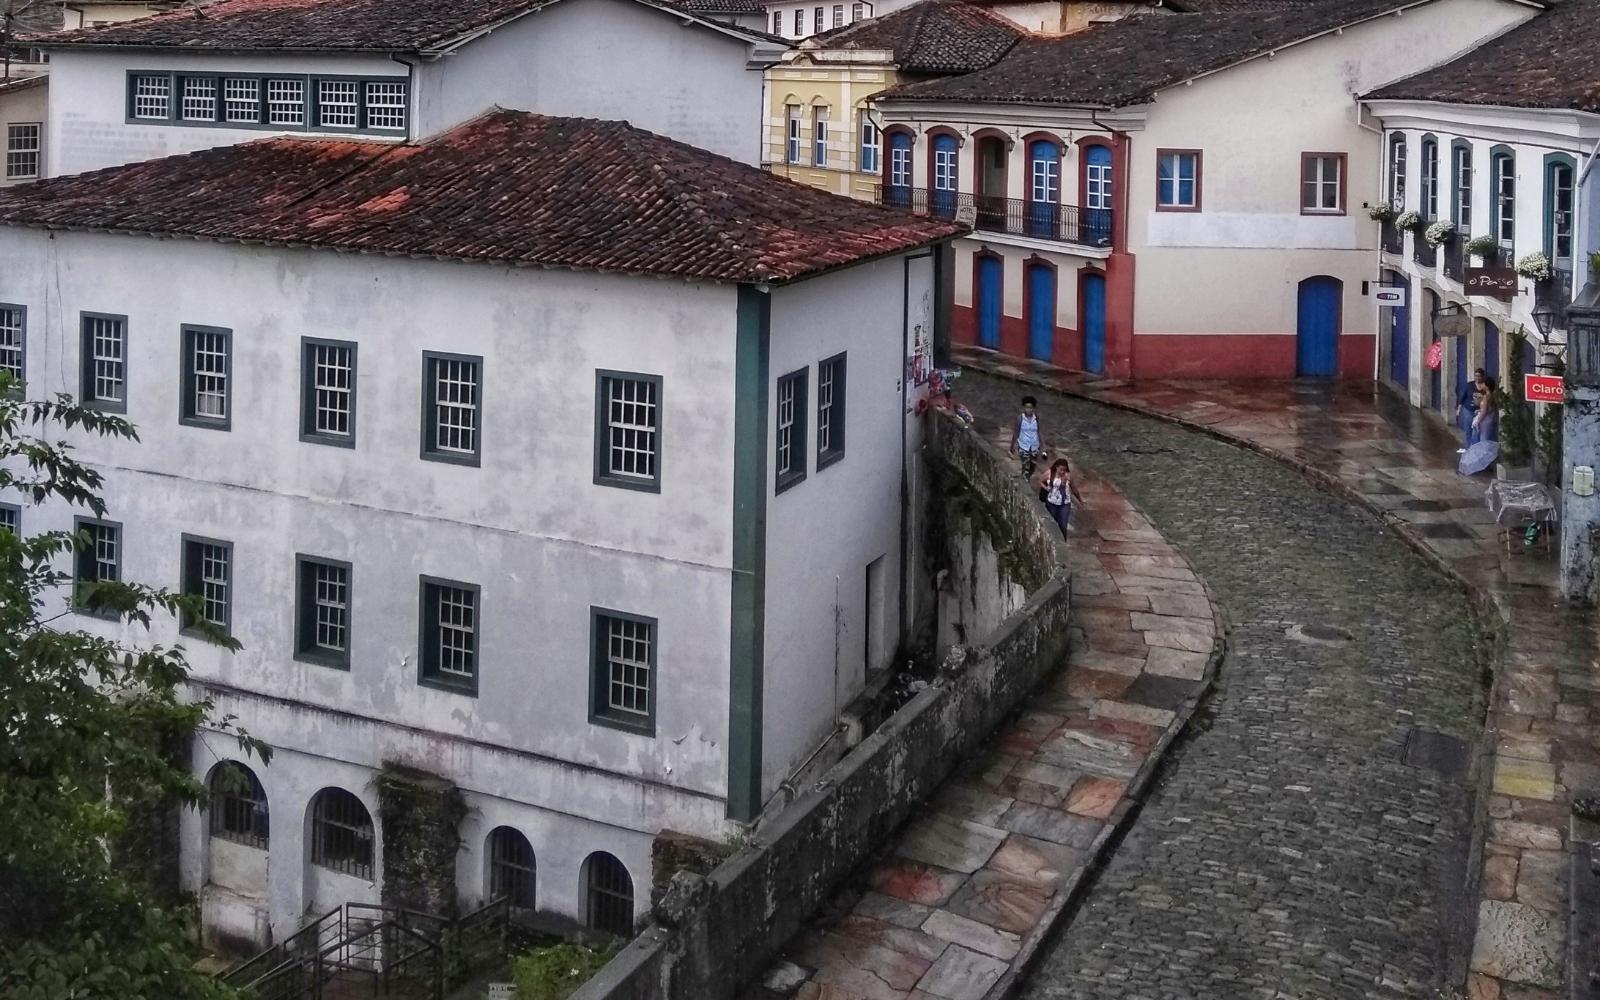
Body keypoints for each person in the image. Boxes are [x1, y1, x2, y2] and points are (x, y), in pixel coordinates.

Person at [1036, 457, 1083, 537]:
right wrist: (1046, 488)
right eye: (1061, 469)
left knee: (1063, 524)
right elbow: (1040, 480)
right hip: (1052, 502)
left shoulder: (1068, 476)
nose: (1062, 472)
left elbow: (1074, 489)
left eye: (1064, 470)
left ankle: (1063, 541)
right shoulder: (1049, 473)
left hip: (1065, 503)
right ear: (1056, 467)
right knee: (1053, 523)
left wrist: (1080, 500)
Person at [1008, 396, 1046, 478]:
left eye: (1030, 407)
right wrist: (1012, 446)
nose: (1028, 409)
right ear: (1024, 407)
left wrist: (1043, 446)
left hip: (1034, 446)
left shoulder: (1036, 418)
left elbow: (1039, 431)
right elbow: (1016, 432)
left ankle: (1025, 476)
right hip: (1023, 445)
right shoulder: (1020, 418)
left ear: (1033, 408)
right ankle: (1025, 480)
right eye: (1027, 407)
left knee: (1033, 466)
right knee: (1026, 465)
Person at [1458, 367, 1486, 452]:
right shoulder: (1470, 385)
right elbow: (1463, 396)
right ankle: (1469, 447)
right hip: (1468, 409)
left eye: (1479, 376)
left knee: (1478, 430)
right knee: (1468, 429)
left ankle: (1476, 447)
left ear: (1482, 377)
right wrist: (1459, 407)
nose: (1477, 378)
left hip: (1479, 411)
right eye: (1476, 375)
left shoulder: (1485, 387)